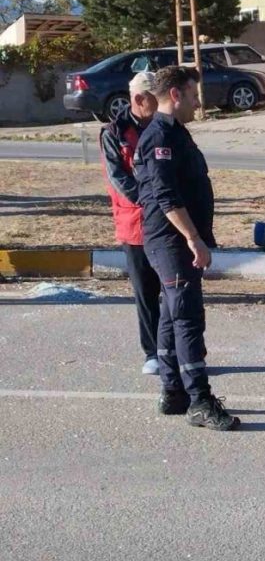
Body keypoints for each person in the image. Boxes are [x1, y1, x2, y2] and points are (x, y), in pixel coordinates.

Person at [134, 66, 239, 431]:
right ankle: (199, 400)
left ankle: (173, 392)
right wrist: (194, 239)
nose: (198, 103)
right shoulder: (159, 135)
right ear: (175, 95)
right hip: (172, 240)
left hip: (174, 239)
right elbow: (165, 196)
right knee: (187, 317)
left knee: (170, 314)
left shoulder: (175, 132)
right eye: (194, 95)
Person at [99, 71, 160, 376]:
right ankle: (153, 352)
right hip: (135, 223)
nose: (160, 104)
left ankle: (176, 349)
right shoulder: (114, 132)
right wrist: (150, 201)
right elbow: (118, 178)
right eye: (155, 98)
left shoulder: (163, 126)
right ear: (139, 99)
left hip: (166, 222)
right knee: (146, 292)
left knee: (174, 291)